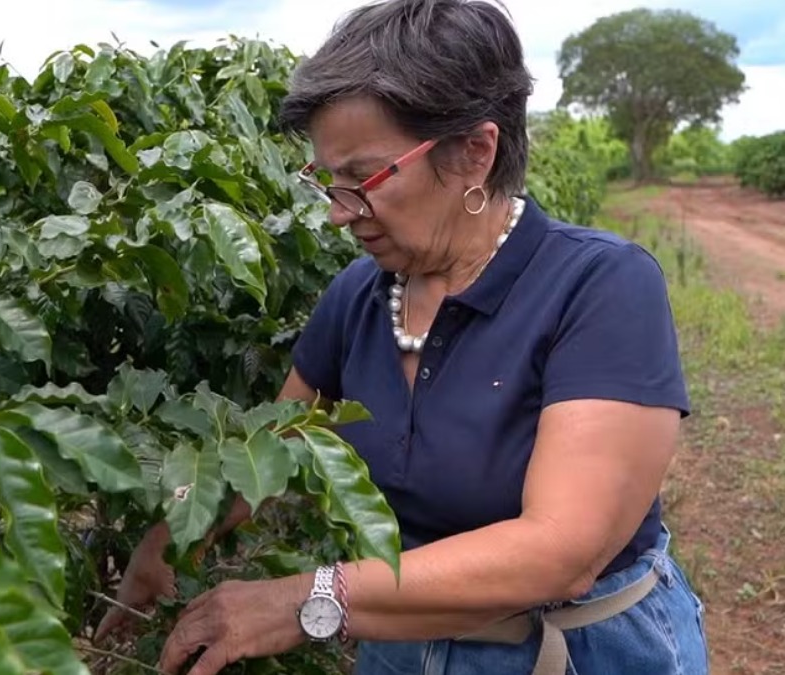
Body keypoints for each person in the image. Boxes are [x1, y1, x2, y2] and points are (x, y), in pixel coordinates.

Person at [92, 0, 709, 673]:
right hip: (402, 644)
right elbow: (272, 453)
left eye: (363, 178)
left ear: (475, 152)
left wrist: (306, 597)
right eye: (325, 180)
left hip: (580, 653)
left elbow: (561, 551)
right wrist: (168, 540)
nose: (336, 213)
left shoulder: (601, 286)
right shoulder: (359, 297)